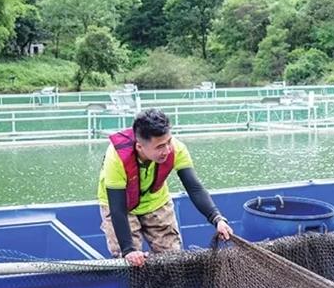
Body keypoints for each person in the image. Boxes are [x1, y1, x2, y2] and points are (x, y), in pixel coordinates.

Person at [97, 108, 233, 266]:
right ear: (140, 147)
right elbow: (117, 209)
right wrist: (128, 250)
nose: (167, 150)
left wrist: (217, 219)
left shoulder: (176, 148)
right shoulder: (117, 157)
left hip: (156, 202)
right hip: (121, 206)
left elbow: (194, 188)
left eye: (168, 142)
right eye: (160, 146)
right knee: (130, 262)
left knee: (173, 259)